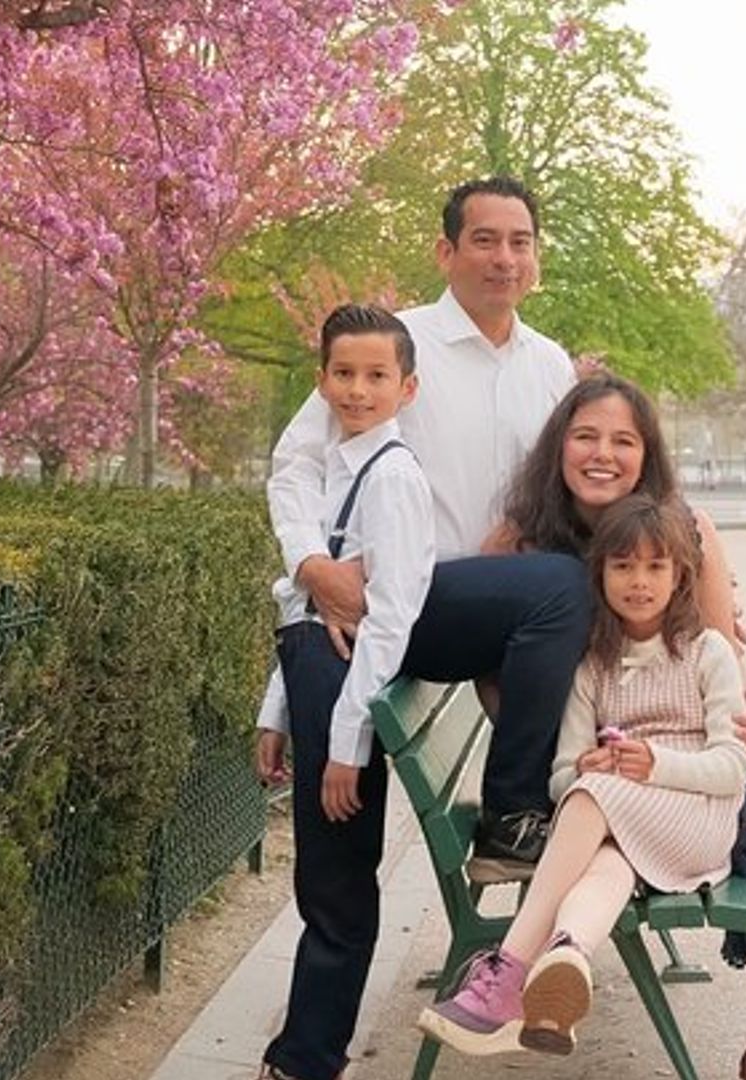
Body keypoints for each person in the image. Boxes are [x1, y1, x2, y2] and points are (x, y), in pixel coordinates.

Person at [493, 374, 746, 1080]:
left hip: (689, 756)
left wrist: (735, 714)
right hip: (600, 764)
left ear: (648, 454)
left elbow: (720, 666)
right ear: (559, 447)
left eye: (623, 440)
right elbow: (481, 642)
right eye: (585, 436)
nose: (602, 454)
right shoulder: (524, 539)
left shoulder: (687, 531)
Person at [264, 177, 588, 884]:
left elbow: (575, 483)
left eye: (520, 242)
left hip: (493, 611)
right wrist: (311, 564)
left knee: (588, 592)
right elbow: (294, 464)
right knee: (563, 587)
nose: (504, 257)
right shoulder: (396, 348)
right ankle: (512, 814)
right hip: (400, 600)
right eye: (484, 240)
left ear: (536, 258)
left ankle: (587, 837)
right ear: (446, 252)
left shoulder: (550, 364)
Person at [417, 494, 746, 1058]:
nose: (639, 581)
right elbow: (561, 779)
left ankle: (508, 970)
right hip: (626, 822)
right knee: (605, 864)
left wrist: (655, 764)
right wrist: (586, 765)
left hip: (697, 815)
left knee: (594, 800)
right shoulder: (592, 665)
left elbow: (733, 766)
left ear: (679, 576)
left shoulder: (706, 652)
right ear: (600, 575)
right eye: (622, 566)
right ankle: (566, 960)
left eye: (655, 567)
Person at [253, 305, 436, 1080]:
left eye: (375, 376)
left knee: (335, 883)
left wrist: (346, 742)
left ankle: (307, 1060)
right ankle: (305, 1052)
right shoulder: (343, 466)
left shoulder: (391, 477)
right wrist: (279, 706)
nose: (357, 390)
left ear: (408, 387)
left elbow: (386, 623)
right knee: (323, 879)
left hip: (343, 700)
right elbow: (317, 605)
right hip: (317, 685)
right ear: (320, 380)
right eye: (343, 374)